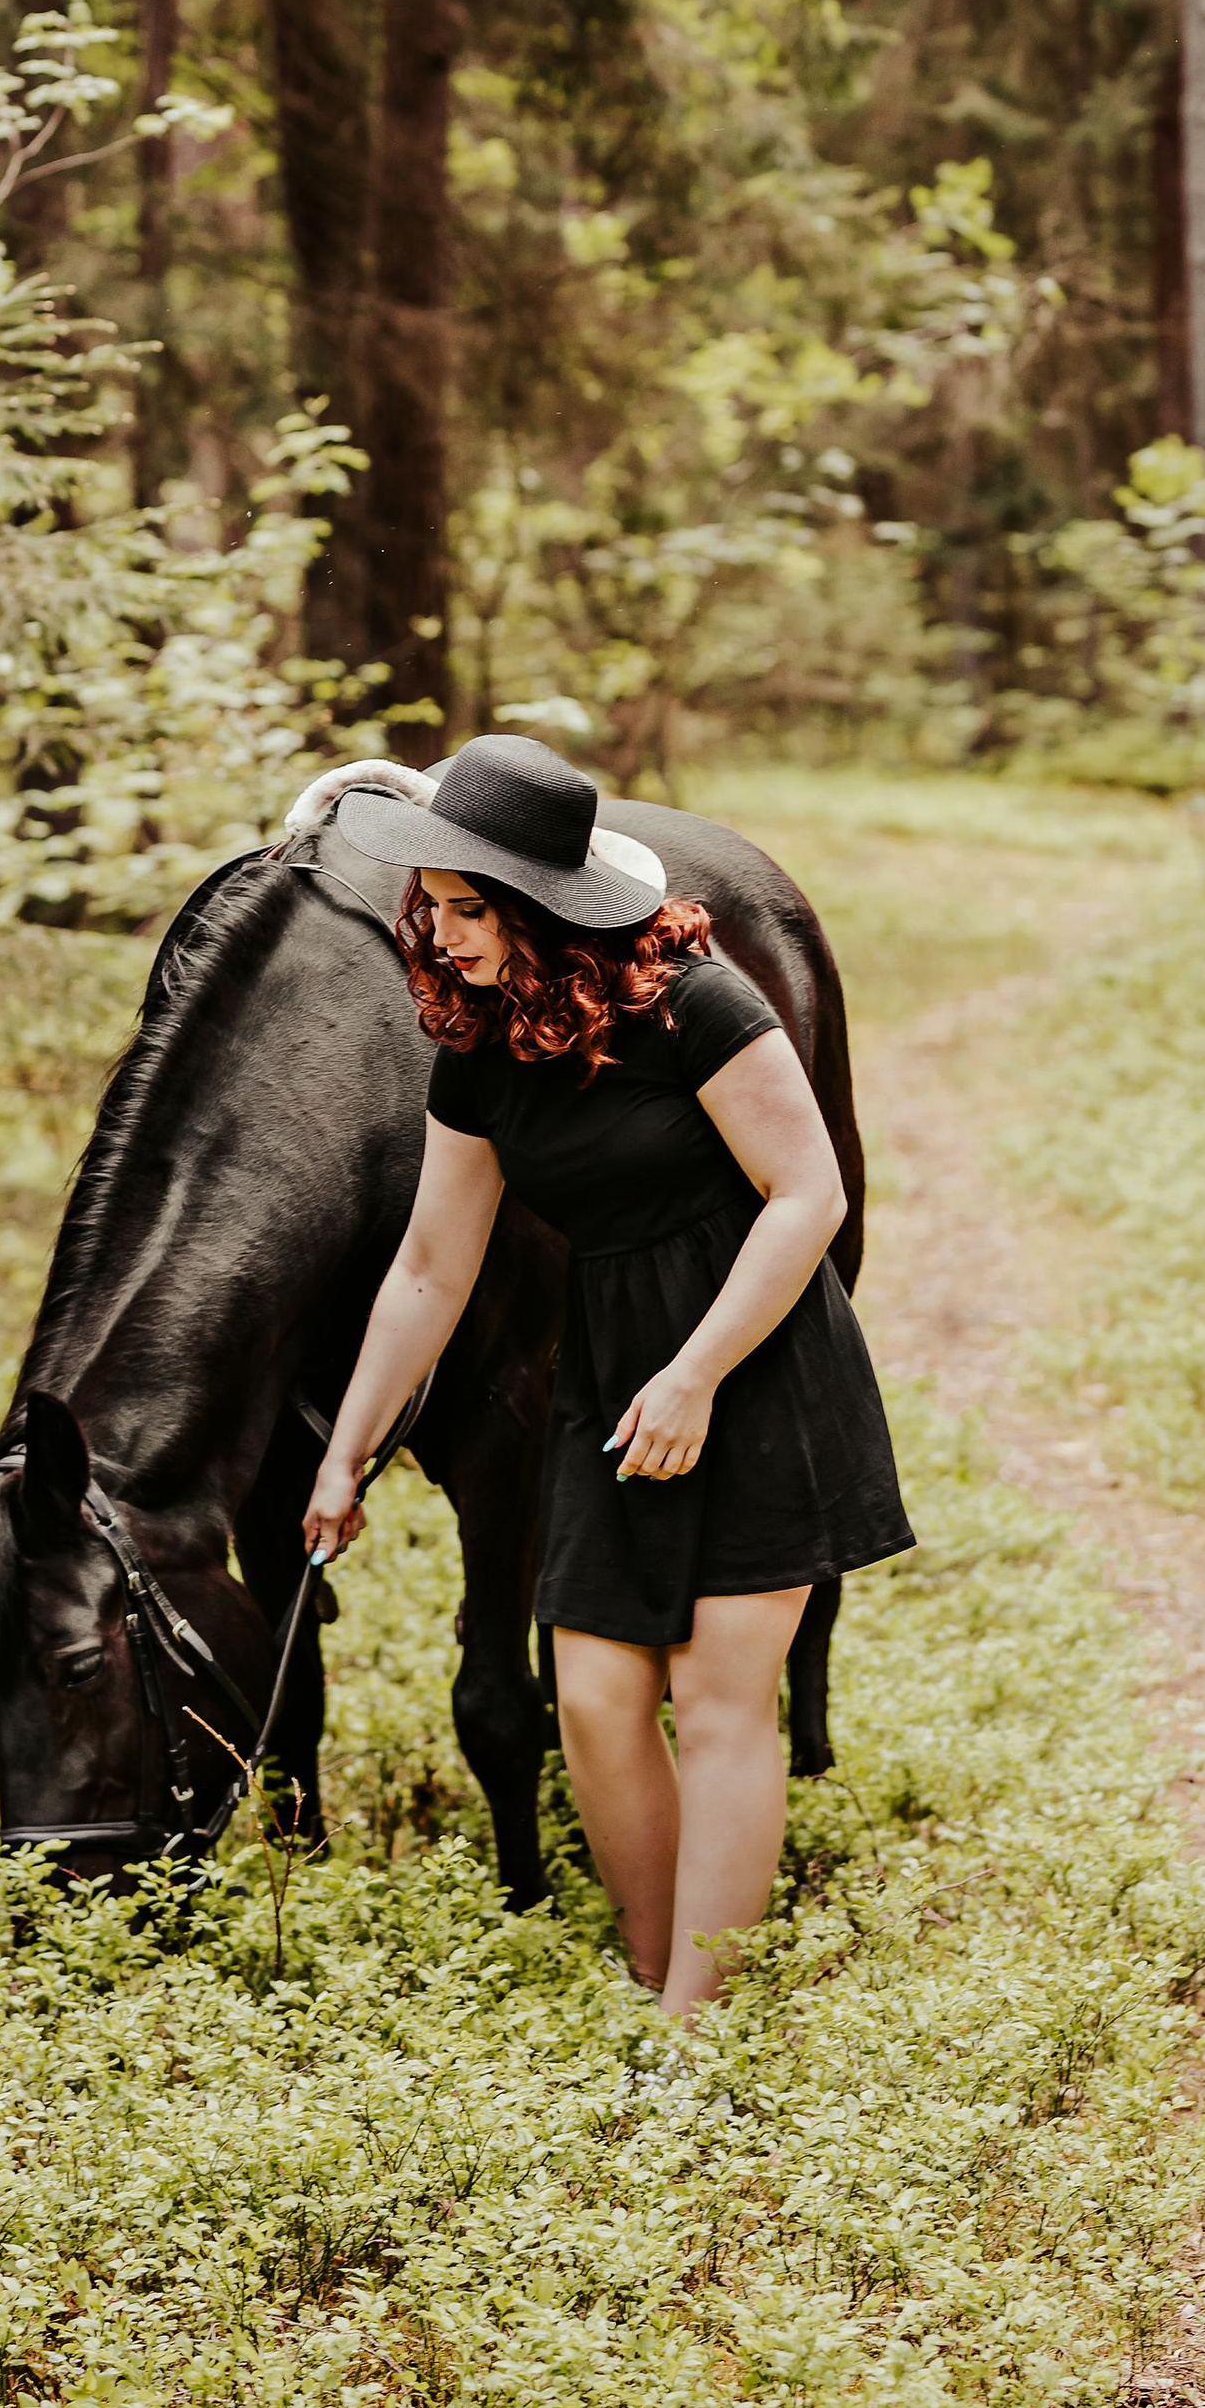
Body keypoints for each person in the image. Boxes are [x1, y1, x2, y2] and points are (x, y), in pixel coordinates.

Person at [304, 734, 911, 2016]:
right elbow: (428, 1266)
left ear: (541, 905)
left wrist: (697, 1376)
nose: (442, 932)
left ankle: (696, 2026)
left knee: (722, 1699)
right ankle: (654, 1975)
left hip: (755, 1358)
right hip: (612, 1379)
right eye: (437, 905)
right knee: (590, 1698)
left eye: (470, 909)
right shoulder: (478, 1043)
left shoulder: (697, 1004)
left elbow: (807, 1198)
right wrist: (346, 1450)